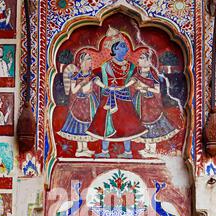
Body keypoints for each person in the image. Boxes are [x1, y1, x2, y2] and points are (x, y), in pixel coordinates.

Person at [87, 27, 147, 159]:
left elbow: (136, 78)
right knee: (105, 123)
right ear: (114, 50)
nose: (126, 49)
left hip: (124, 98)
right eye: (122, 46)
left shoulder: (131, 66)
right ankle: (104, 151)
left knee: (127, 124)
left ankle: (128, 152)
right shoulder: (105, 66)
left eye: (125, 46)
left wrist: (125, 85)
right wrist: (104, 86)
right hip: (108, 98)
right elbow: (94, 77)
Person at [133, 48, 181, 157]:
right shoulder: (138, 73)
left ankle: (152, 150)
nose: (138, 60)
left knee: (153, 127)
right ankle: (147, 148)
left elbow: (157, 90)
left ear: (148, 61)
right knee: (144, 126)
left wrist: (145, 88)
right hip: (142, 104)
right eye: (139, 58)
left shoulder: (152, 74)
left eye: (141, 58)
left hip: (152, 105)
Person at [58, 51, 103, 157]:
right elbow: (73, 91)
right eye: (87, 59)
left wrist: (107, 87)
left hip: (90, 104)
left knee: (87, 125)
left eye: (90, 59)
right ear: (81, 62)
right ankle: (79, 150)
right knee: (79, 125)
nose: (90, 62)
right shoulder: (75, 76)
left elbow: (99, 84)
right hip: (79, 105)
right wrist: (82, 84)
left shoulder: (92, 76)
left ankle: (85, 148)